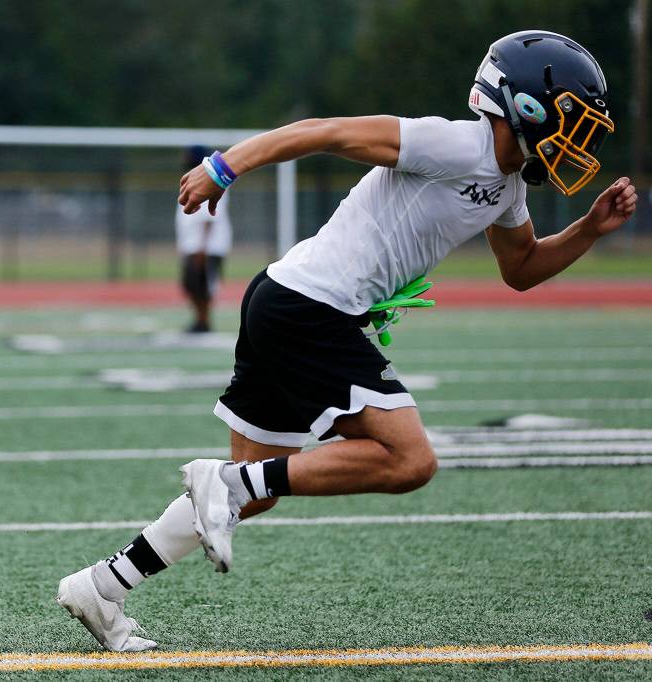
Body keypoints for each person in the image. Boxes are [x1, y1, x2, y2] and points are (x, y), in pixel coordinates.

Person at [57, 30, 637, 652]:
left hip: (284, 299)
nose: (580, 143)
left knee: (255, 486)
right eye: (574, 122)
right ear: (526, 106)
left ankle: (104, 585)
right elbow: (327, 131)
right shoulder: (453, 142)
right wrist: (224, 166)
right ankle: (222, 484)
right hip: (310, 306)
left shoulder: (509, 186)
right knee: (409, 460)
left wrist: (590, 229)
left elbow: (520, 270)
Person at [176, 146, 232, 333]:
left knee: (202, 285)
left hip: (206, 247)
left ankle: (203, 321)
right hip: (194, 246)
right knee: (192, 284)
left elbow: (209, 218)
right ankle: (200, 320)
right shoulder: (193, 180)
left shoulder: (210, 180)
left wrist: (202, 247)